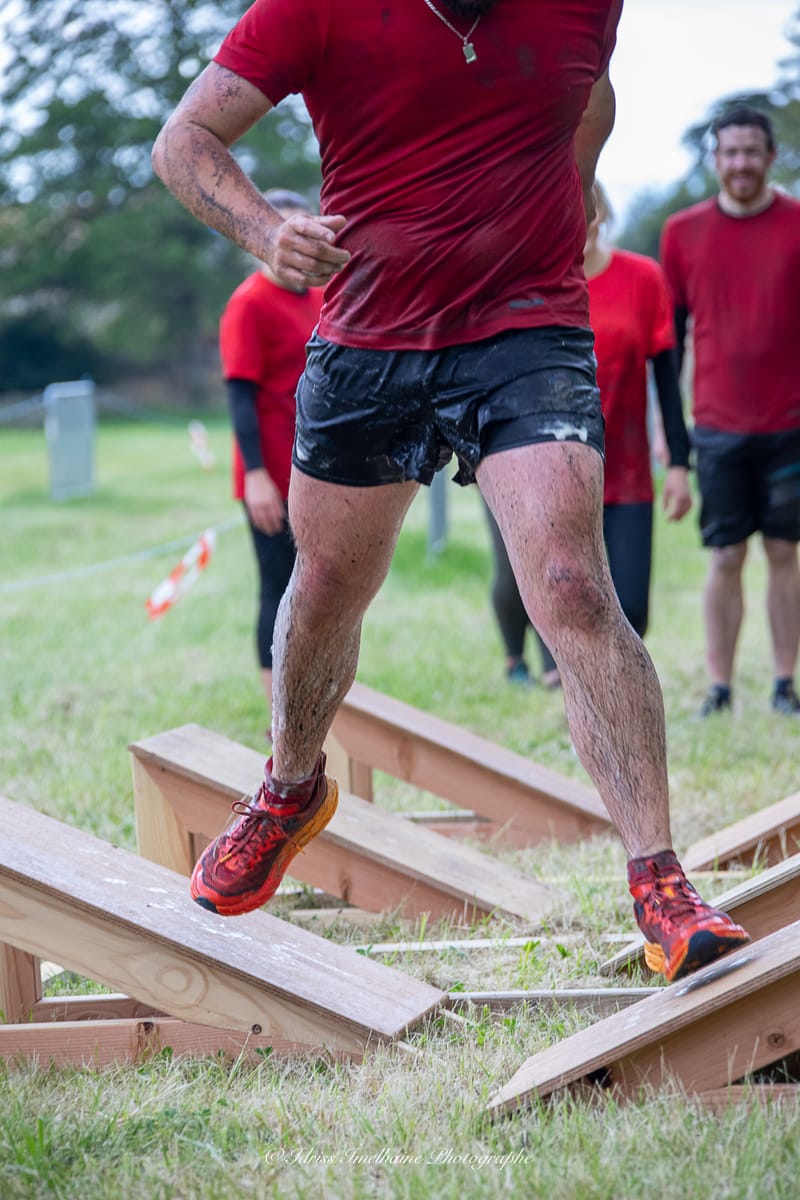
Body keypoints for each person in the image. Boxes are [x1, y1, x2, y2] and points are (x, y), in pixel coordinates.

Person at [152, 0, 748, 983]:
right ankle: (290, 786)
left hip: (526, 329)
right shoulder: (312, 8)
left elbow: (588, 87)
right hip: (366, 337)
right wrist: (266, 232)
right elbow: (186, 139)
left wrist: (576, 183)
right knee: (326, 583)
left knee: (569, 582)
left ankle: (659, 879)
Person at [485, 183, 693, 690]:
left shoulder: (643, 278)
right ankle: (550, 673)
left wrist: (681, 464)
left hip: (622, 467)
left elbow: (666, 376)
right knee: (541, 583)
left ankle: (594, 677)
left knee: (632, 604)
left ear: (598, 214)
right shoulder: (521, 283)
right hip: (537, 464)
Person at [661, 105, 800, 718]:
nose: (741, 163)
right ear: (715, 159)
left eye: (752, 151)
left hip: (790, 425)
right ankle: (720, 688)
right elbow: (671, 342)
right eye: (731, 152)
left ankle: (782, 683)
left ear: (771, 157)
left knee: (783, 553)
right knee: (724, 556)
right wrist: (677, 445)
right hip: (716, 425)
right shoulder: (682, 234)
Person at [220, 187, 324, 707]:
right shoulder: (248, 304)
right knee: (278, 585)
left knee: (319, 588)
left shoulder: (320, 298)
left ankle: (313, 694)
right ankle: (277, 708)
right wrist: (256, 476)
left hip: (318, 471)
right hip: (270, 475)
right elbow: (240, 399)